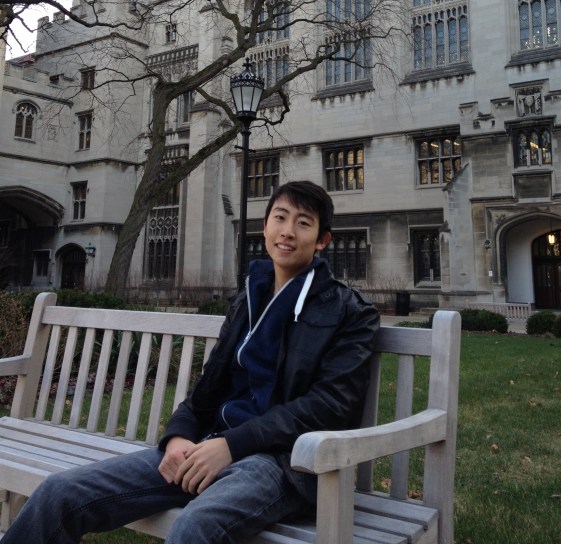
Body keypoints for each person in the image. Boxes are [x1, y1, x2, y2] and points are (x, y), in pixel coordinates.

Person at [3, 180, 379, 544]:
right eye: (280, 218)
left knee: (195, 526)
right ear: (264, 227)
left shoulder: (350, 312)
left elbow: (330, 406)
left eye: (303, 223)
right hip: (207, 445)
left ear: (322, 240)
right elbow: (209, 383)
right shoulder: (248, 296)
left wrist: (231, 445)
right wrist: (179, 435)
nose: (288, 231)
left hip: (281, 465)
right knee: (60, 492)